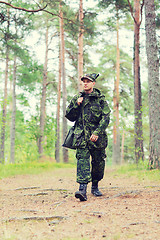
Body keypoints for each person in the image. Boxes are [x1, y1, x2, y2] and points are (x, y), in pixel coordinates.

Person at [65, 73, 111, 201]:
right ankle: (82, 190)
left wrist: (97, 132)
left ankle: (95, 186)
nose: (85, 83)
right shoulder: (77, 98)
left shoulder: (100, 99)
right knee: (82, 161)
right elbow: (70, 116)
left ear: (93, 83)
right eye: (84, 81)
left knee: (98, 162)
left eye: (88, 81)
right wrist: (76, 105)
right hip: (81, 136)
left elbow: (106, 118)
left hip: (97, 137)